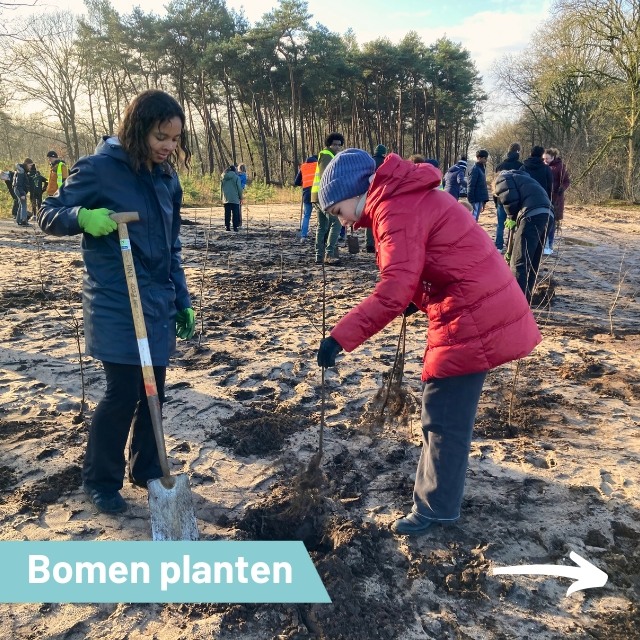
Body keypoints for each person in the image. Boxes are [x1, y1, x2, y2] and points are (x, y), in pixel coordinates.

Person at [315, 149, 541, 536]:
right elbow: (432, 258)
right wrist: (417, 298)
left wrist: (339, 338)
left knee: (443, 416)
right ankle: (438, 500)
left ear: (357, 191)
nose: (344, 222)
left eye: (338, 211)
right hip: (473, 302)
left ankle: (435, 509)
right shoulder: (402, 197)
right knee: (446, 412)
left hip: (471, 311)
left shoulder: (393, 210)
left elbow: (392, 290)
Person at [38, 89, 195, 514]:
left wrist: (182, 298)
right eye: (162, 136)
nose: (169, 146)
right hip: (115, 300)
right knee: (124, 390)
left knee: (154, 390)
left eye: (176, 139)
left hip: (157, 301)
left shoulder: (167, 179)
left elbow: (171, 244)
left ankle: (146, 469)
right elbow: (48, 213)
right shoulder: (100, 170)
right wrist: (82, 218)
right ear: (139, 128)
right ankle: (100, 480)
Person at [494, 169, 554, 302]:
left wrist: (511, 216)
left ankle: (516, 301)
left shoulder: (502, 178)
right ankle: (526, 297)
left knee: (519, 261)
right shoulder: (525, 178)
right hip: (548, 215)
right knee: (533, 260)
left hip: (532, 215)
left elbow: (510, 200)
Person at [311, 132, 345, 266]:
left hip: (317, 196)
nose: (337, 147)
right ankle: (329, 254)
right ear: (329, 144)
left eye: (339, 145)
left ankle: (319, 256)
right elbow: (327, 175)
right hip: (324, 196)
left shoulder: (329, 155)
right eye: (334, 144)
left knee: (322, 226)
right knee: (336, 223)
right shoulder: (327, 155)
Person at [494, 143, 523, 251]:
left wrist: (496, 200)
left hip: (500, 199)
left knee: (500, 224)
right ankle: (510, 246)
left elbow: (495, 184)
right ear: (518, 152)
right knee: (513, 224)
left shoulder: (500, 166)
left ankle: (498, 246)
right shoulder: (521, 166)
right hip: (515, 200)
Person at [543, 148, 570, 255]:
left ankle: (549, 245)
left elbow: (566, 181)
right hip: (544, 197)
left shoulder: (560, 166)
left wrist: (562, 188)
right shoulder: (542, 166)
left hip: (556, 199)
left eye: (547, 159)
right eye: (544, 159)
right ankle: (543, 245)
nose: (545, 161)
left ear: (553, 157)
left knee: (552, 223)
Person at [365, 144, 387, 252]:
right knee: (381, 219)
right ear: (384, 153)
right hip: (382, 195)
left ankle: (369, 243)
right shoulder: (386, 163)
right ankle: (379, 242)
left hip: (368, 195)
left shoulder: (369, 162)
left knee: (370, 219)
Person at [294, 155, 318, 242]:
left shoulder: (303, 167)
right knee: (321, 216)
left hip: (307, 193)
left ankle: (303, 236)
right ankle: (322, 236)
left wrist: (303, 183)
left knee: (307, 215)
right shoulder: (318, 165)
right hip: (317, 193)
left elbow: (296, 182)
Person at [467, 149, 489, 221]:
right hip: (475, 199)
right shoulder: (475, 169)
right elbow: (470, 185)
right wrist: (471, 201)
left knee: (475, 219)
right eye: (485, 158)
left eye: (486, 158)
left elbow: (483, 186)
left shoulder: (481, 169)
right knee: (473, 219)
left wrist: (484, 200)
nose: (486, 159)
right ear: (479, 158)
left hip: (480, 199)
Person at [221, 165, 243, 231]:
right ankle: (235, 227)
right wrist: (240, 197)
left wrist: (221, 197)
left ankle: (227, 226)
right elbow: (239, 188)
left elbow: (221, 188)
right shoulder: (236, 178)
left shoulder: (223, 177)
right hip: (235, 198)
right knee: (235, 213)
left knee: (227, 213)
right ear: (234, 170)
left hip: (226, 198)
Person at [12, 159, 32, 226]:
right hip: (20, 190)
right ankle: (24, 221)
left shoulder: (23, 170)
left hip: (19, 189)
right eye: (30, 165)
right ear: (26, 164)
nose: (30, 167)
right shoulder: (21, 171)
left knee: (21, 204)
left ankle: (18, 220)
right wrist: (22, 194)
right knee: (24, 205)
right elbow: (19, 184)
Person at [237, 163, 248, 227]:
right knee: (239, 208)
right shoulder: (244, 175)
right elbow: (243, 185)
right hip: (240, 192)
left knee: (237, 207)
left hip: (237, 192)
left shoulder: (237, 175)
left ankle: (238, 222)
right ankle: (239, 223)